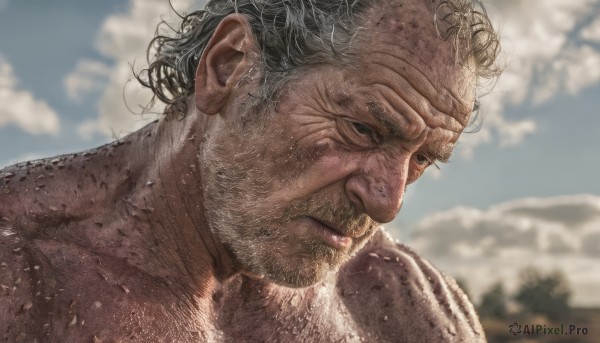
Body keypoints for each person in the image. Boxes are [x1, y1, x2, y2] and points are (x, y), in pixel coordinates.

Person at [0, 0, 501, 341]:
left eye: (421, 159)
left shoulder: (397, 303)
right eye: (363, 130)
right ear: (229, 66)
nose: (388, 202)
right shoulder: (22, 264)